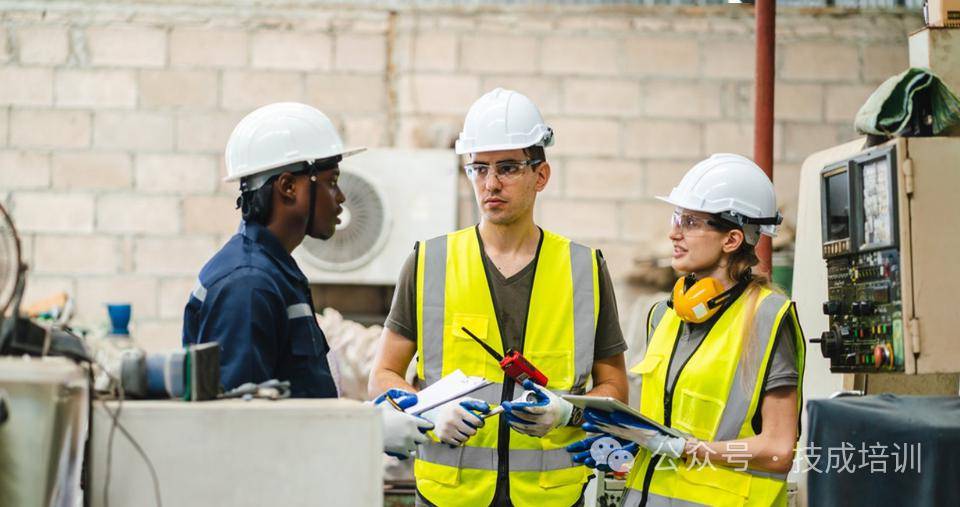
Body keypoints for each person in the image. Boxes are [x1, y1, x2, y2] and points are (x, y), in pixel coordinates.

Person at [368, 88, 629, 507]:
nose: (491, 183)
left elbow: (615, 386)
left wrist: (568, 413)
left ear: (540, 175)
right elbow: (382, 376)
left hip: (553, 498)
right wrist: (428, 409)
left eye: (508, 168)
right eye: (479, 168)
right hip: (447, 496)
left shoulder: (585, 268)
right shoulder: (429, 261)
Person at [182, 102, 432, 458]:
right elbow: (241, 430)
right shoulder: (248, 284)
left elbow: (292, 402)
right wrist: (365, 430)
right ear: (287, 187)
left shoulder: (274, 273)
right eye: (331, 182)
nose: (342, 197)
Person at [567, 153, 806, 507]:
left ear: (732, 239)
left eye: (691, 222)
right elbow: (665, 428)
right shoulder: (664, 317)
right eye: (677, 217)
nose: (673, 232)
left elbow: (777, 450)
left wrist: (688, 449)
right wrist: (630, 443)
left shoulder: (768, 318)